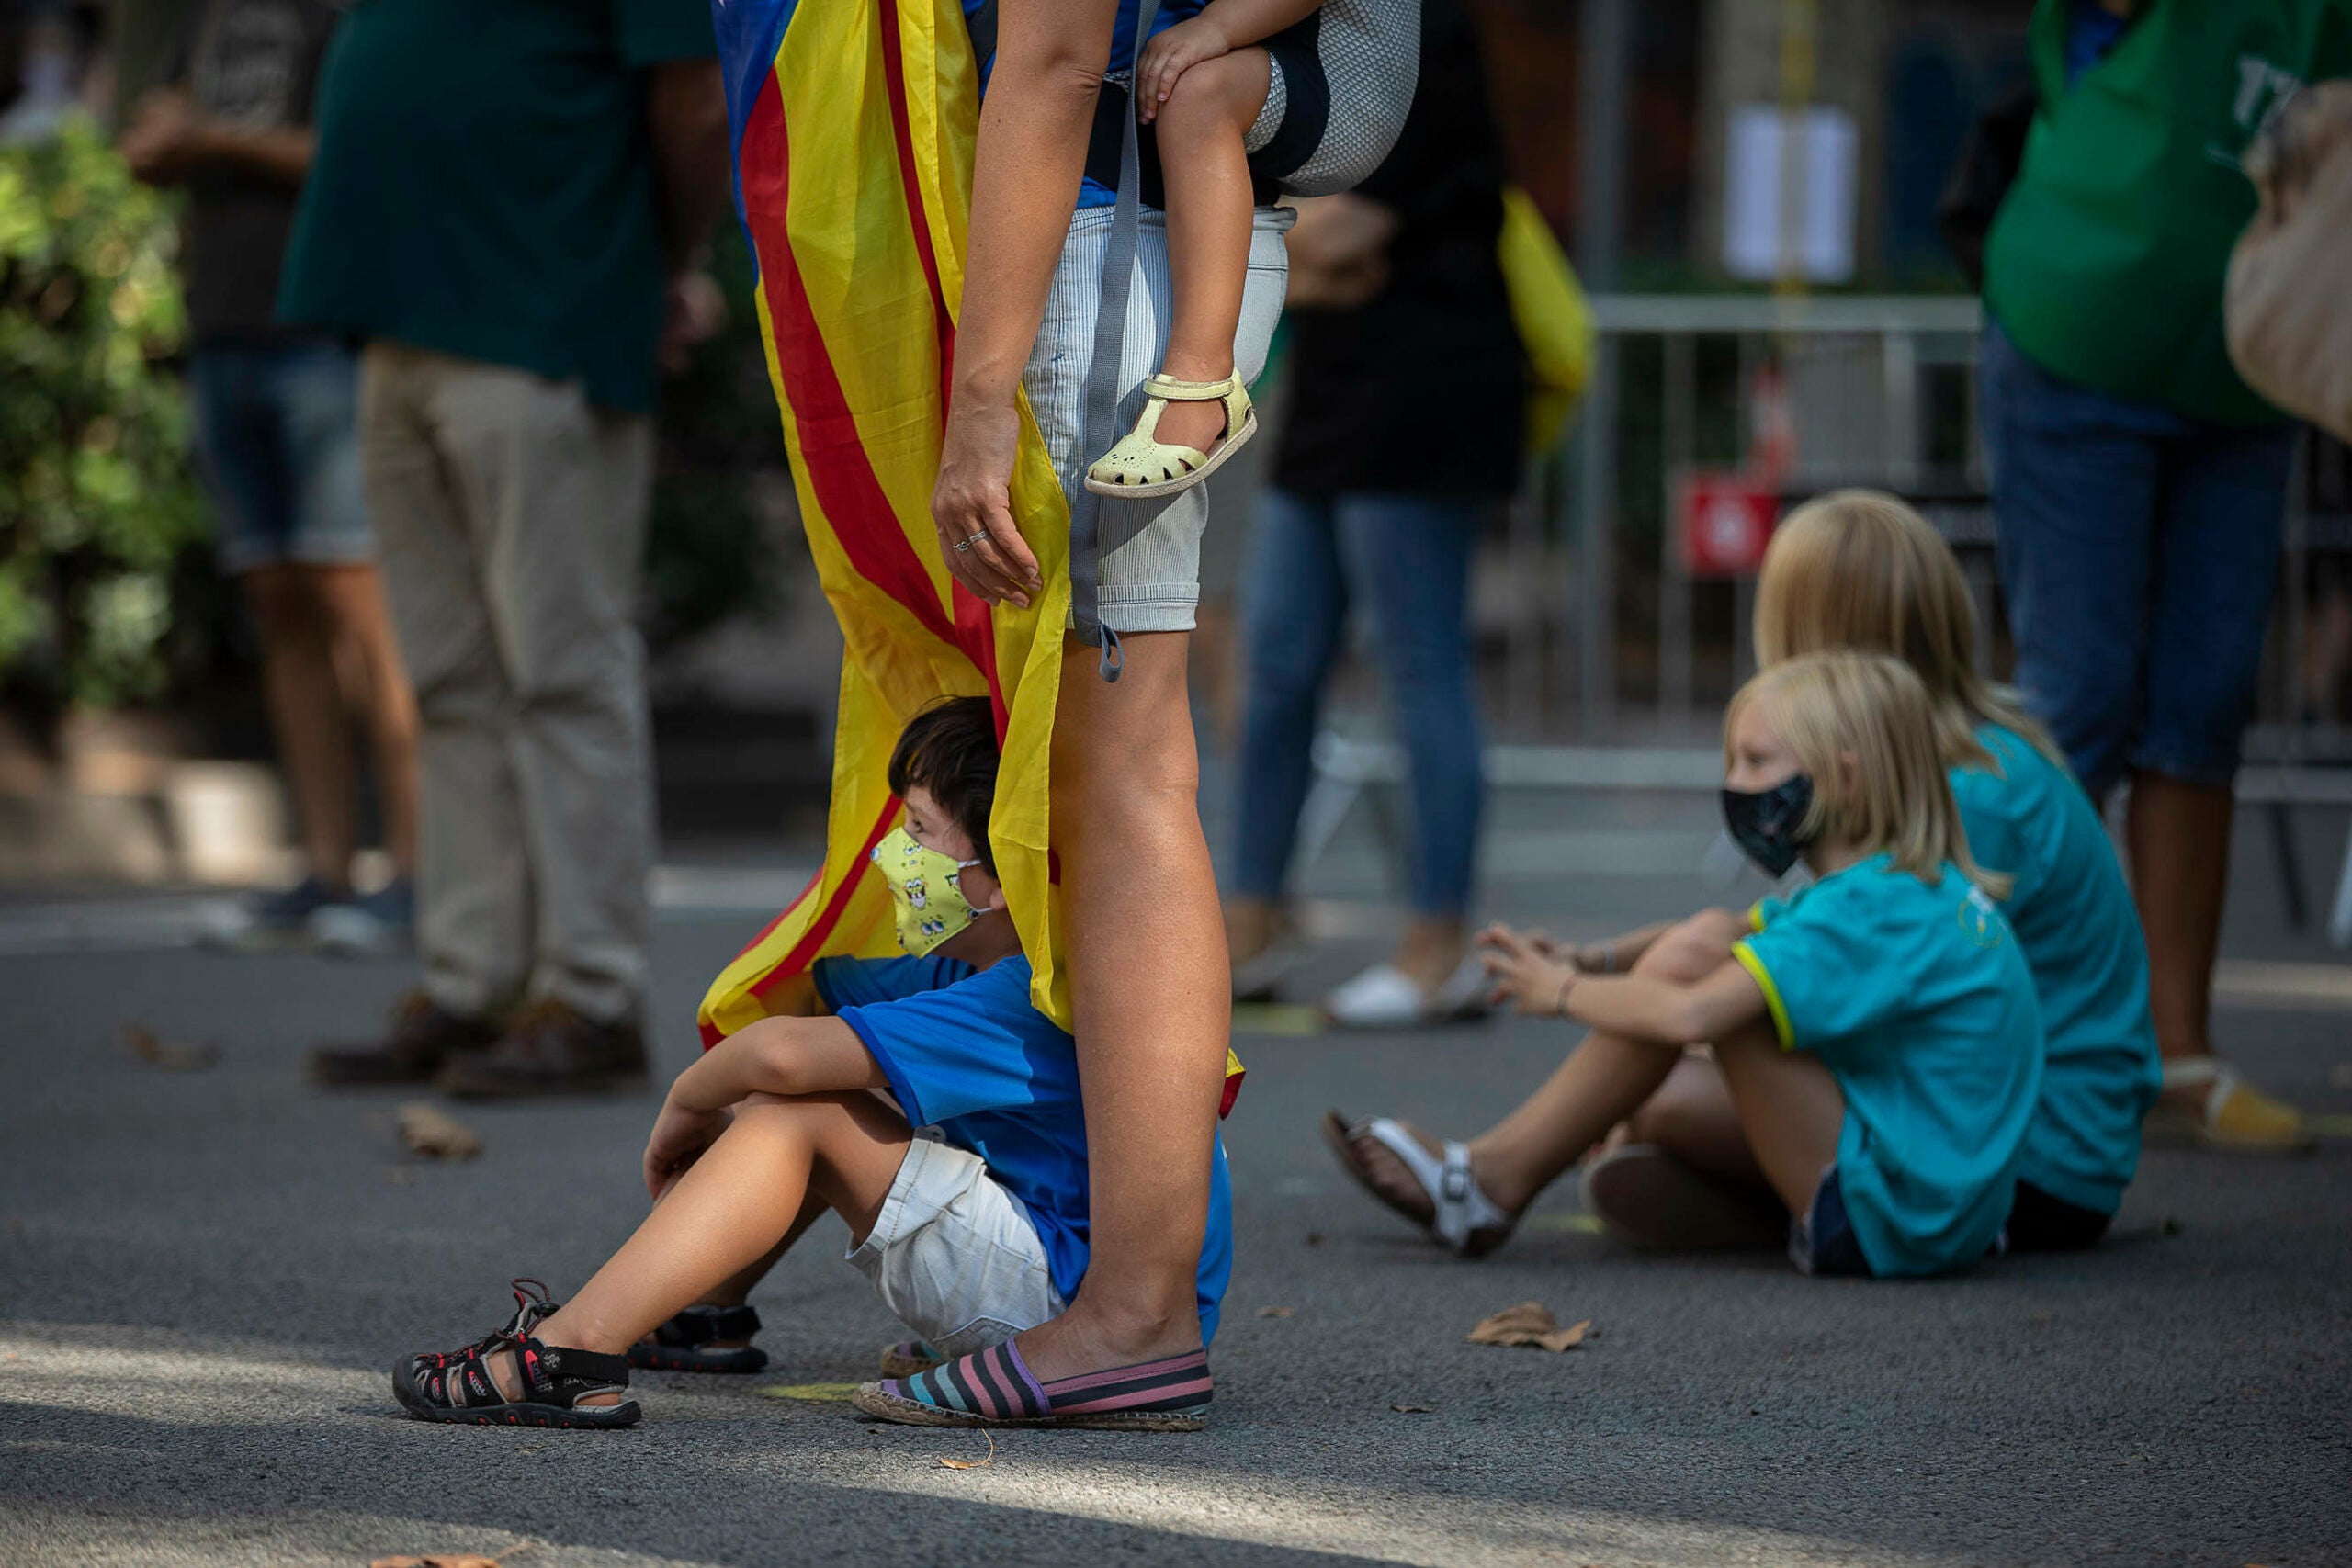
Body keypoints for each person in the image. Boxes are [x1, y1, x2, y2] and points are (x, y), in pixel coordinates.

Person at [389, 700, 1232, 1431]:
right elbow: (817, 991)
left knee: (801, 1113)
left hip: (1071, 1308)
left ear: (1000, 873)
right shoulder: (974, 963)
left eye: (918, 832)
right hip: (1062, 1269)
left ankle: (566, 1353)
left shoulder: (1025, 997)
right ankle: (699, 1308)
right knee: (814, 1090)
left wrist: (685, 1101)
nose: (896, 857)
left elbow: (786, 1053)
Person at [278, 1, 729, 1096]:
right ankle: (476, 981)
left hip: (543, 316)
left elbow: (694, 99)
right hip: (403, 326)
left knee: (560, 671)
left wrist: (656, 263)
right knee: (447, 678)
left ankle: (590, 993)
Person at [1326, 650, 2044, 1280]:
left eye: (1759, 762)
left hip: (1894, 1221)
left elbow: (1692, 1009)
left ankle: (1489, 1181)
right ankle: (1684, 1171)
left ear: (1847, 780)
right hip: (1947, 1204)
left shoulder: (1864, 911)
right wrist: (1593, 955)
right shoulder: (1900, 888)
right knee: (1661, 1090)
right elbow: (1728, 930)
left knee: (1701, 975)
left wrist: (1565, 989)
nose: (1736, 783)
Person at [1978, 0, 2351, 1151]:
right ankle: (1995, 1035)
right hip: (2082, 332)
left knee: (2200, 708)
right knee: (2077, 696)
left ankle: (2174, 1052)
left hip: (2247, 366)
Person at [1596, 491, 2158, 1252]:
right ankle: (1763, 1198)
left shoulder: (1968, 798)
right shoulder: (1958, 762)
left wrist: (1584, 997)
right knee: (1682, 1052)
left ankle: (1516, 1177)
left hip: (2028, 1162)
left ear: (1813, 648)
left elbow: (1856, 997)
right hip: (1991, 1124)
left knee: (1669, 1085)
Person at [1222, 0, 1520, 1025]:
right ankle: (1250, 925)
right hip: (1335, 394)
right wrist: (1299, 257)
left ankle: (1443, 945)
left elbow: (1336, 230)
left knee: (1418, 662)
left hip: (1429, 380)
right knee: (1275, 661)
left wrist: (1279, 247)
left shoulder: (1421, 25)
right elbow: (1313, 247)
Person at [119, 0, 419, 954]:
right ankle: (323, 865)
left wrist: (210, 139)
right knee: (278, 601)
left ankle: (412, 868)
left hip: (321, 331)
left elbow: (360, 153)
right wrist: (161, 138)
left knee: (358, 602)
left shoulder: (349, 16)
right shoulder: (207, 17)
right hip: (221, 328)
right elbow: (156, 122)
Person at [1081, 0, 1418, 498]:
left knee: (1200, 93)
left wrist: (1217, 27)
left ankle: (1204, 378)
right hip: (1269, 51)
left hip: (1344, 69)